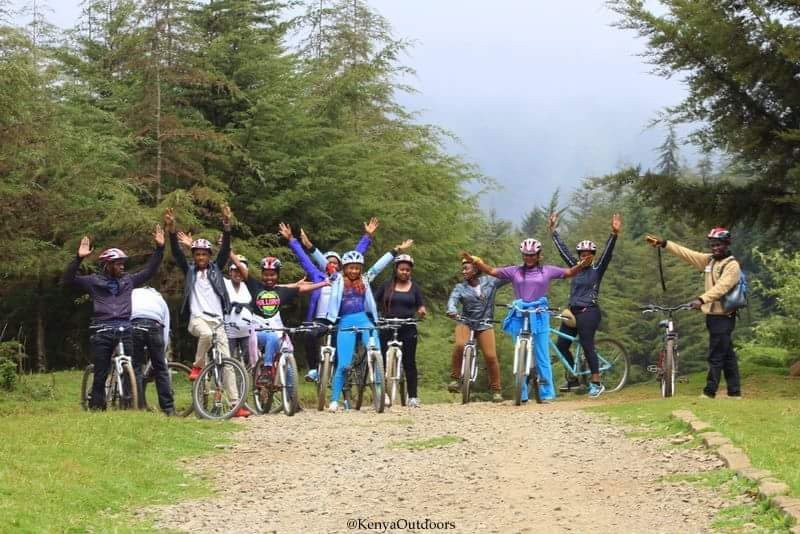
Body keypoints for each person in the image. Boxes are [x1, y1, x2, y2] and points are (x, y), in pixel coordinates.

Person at [462, 241, 590, 402]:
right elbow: (492, 271)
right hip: (520, 313)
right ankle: (521, 394)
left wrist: (581, 265)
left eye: (532, 255)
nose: (528, 258)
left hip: (539, 314)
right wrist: (477, 262)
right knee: (519, 351)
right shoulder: (514, 271)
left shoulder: (547, 271)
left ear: (538, 256)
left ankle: (547, 392)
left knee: (542, 354)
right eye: (526, 255)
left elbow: (569, 273)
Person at [62, 226, 165, 410]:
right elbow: (68, 280)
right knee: (101, 373)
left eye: (123, 263)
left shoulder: (128, 281)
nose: (122, 266)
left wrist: (160, 248)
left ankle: (127, 405)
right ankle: (96, 407)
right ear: (107, 265)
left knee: (131, 368)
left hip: (125, 329)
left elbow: (150, 271)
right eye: (118, 263)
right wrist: (78, 258)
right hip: (102, 330)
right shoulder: (94, 281)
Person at [164, 205, 251, 418]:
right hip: (197, 320)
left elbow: (225, 249)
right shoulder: (190, 271)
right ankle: (197, 365)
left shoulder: (215, 270)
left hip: (219, 322)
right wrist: (172, 230)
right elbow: (176, 252)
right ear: (193, 256)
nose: (201, 257)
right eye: (197, 254)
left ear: (209, 256)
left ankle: (235, 404)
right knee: (205, 334)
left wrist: (227, 224)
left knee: (228, 363)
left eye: (204, 254)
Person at [645, 227, 743, 399]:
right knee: (727, 354)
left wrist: (702, 299)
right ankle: (734, 392)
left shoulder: (732, 265)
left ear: (727, 244)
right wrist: (665, 244)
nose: (715, 247)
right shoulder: (710, 261)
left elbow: (722, 287)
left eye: (719, 244)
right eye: (713, 244)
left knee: (715, 355)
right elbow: (687, 254)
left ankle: (709, 391)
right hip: (712, 316)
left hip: (724, 316)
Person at [280, 220, 377, 381]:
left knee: (342, 350)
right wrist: (292, 240)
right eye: (328, 261)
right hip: (320, 320)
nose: (331, 264)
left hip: (340, 319)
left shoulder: (344, 279)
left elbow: (357, 255)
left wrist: (367, 237)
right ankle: (313, 369)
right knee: (310, 336)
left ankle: (344, 383)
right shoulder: (317, 276)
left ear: (340, 266)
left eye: (335, 262)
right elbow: (304, 258)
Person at [326, 239, 414, 412]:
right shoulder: (337, 280)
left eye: (357, 267)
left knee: (375, 354)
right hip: (345, 322)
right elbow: (323, 262)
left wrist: (396, 249)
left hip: (365, 321)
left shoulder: (365, 279)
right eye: (351, 267)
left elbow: (379, 266)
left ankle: (381, 392)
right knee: (343, 364)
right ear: (344, 268)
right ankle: (334, 399)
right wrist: (306, 246)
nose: (354, 270)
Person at [549, 213, 621, 398]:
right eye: (582, 254)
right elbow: (563, 251)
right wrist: (553, 231)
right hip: (572, 312)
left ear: (593, 256)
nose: (585, 256)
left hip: (589, 311)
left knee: (587, 344)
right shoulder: (574, 267)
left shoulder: (597, 270)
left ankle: (596, 383)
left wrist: (614, 234)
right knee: (562, 345)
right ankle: (573, 378)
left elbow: (607, 253)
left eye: (588, 254)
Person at [230, 249, 329, 377]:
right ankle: (267, 369)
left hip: (277, 331)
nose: (269, 278)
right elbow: (239, 266)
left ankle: (290, 395)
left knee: (288, 359)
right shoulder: (255, 287)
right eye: (266, 274)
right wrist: (230, 252)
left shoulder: (282, 291)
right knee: (271, 337)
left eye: (272, 275)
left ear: (277, 275)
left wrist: (323, 283)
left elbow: (302, 289)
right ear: (262, 275)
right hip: (258, 332)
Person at [445, 256, 507, 403]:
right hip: (465, 321)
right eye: (463, 268)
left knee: (491, 356)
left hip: (485, 323)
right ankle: (455, 378)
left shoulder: (491, 281)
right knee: (460, 345)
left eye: (466, 268)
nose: (463, 271)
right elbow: (452, 300)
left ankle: (496, 390)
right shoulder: (460, 287)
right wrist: (452, 310)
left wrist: (521, 269)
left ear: (476, 269)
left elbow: (506, 275)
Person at [374, 254, 427, 407]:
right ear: (396, 269)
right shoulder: (386, 285)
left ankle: (413, 396)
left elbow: (420, 304)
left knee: (409, 361)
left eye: (408, 270)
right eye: (402, 269)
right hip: (387, 324)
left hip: (408, 325)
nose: (405, 272)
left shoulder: (415, 287)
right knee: (381, 359)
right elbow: (373, 301)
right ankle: (381, 392)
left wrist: (422, 311)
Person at [131, 286, 175, 415]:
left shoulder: (132, 294)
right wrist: (162, 349)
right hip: (155, 326)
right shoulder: (159, 299)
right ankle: (168, 409)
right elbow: (166, 326)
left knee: (136, 367)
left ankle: (137, 406)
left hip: (135, 324)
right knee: (161, 369)